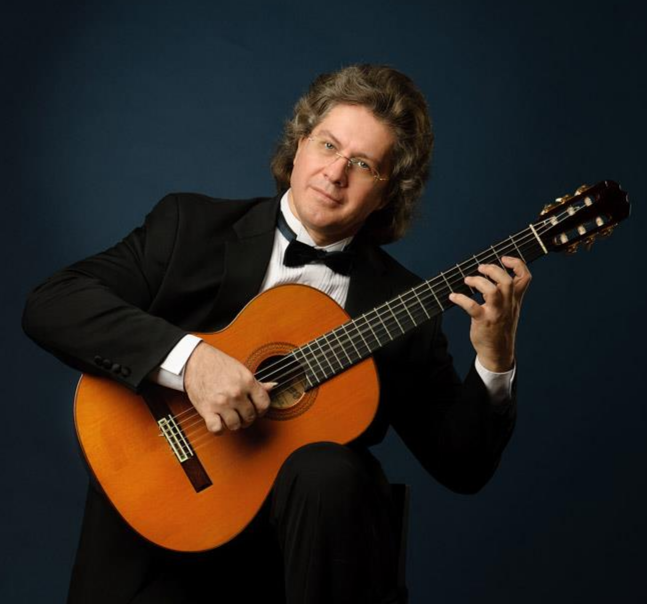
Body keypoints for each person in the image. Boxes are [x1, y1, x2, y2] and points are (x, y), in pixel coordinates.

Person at [23, 64, 531, 604]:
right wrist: (191, 362)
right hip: (160, 539)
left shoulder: (403, 307)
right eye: (328, 145)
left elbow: (463, 466)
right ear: (299, 144)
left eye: (363, 164)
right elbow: (53, 303)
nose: (335, 173)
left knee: (332, 471)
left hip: (299, 569)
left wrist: (495, 357)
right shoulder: (189, 227)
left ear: (389, 193)